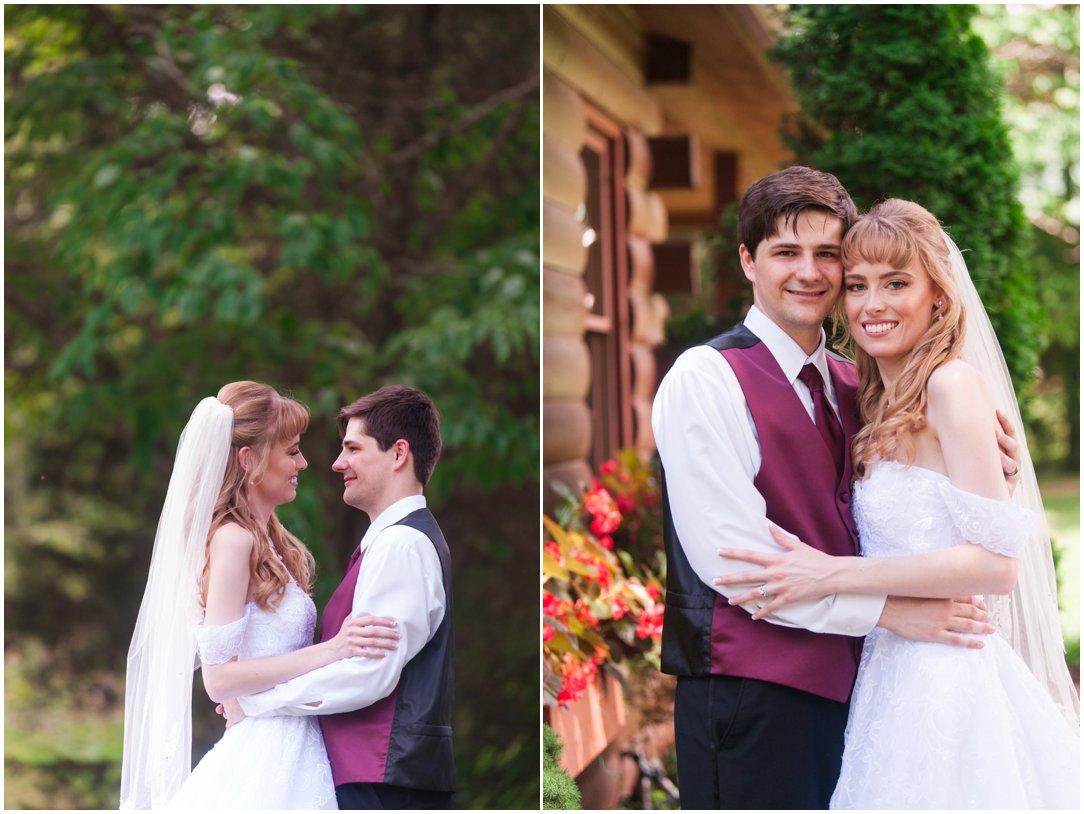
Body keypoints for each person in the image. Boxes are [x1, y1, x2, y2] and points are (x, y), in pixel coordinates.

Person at [651, 167, 1021, 809]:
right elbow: (735, 563)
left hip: (869, 698)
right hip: (752, 698)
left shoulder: (867, 387)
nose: (810, 272)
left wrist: (998, 469)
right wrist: (890, 613)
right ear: (748, 260)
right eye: (786, 252)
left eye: (828, 255)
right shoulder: (705, 378)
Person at [715, 199, 1079, 809]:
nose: (872, 304)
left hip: (946, 679)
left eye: (896, 284)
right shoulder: (877, 398)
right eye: (856, 286)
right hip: (889, 672)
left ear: (938, 295)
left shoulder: (950, 385)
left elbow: (996, 566)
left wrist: (833, 572)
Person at [121, 381, 400, 809]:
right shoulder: (232, 540)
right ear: (249, 461)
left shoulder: (271, 540)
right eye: (291, 451)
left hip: (294, 747)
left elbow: (247, 669)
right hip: (265, 757)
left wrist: (254, 693)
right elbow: (219, 679)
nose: (304, 463)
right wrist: (334, 649)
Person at [230, 384, 455, 810]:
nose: (337, 463)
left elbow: (366, 674)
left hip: (387, 785)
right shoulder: (387, 542)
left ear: (399, 454)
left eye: (353, 448)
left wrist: (259, 702)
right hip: (378, 777)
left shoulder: (401, 546)